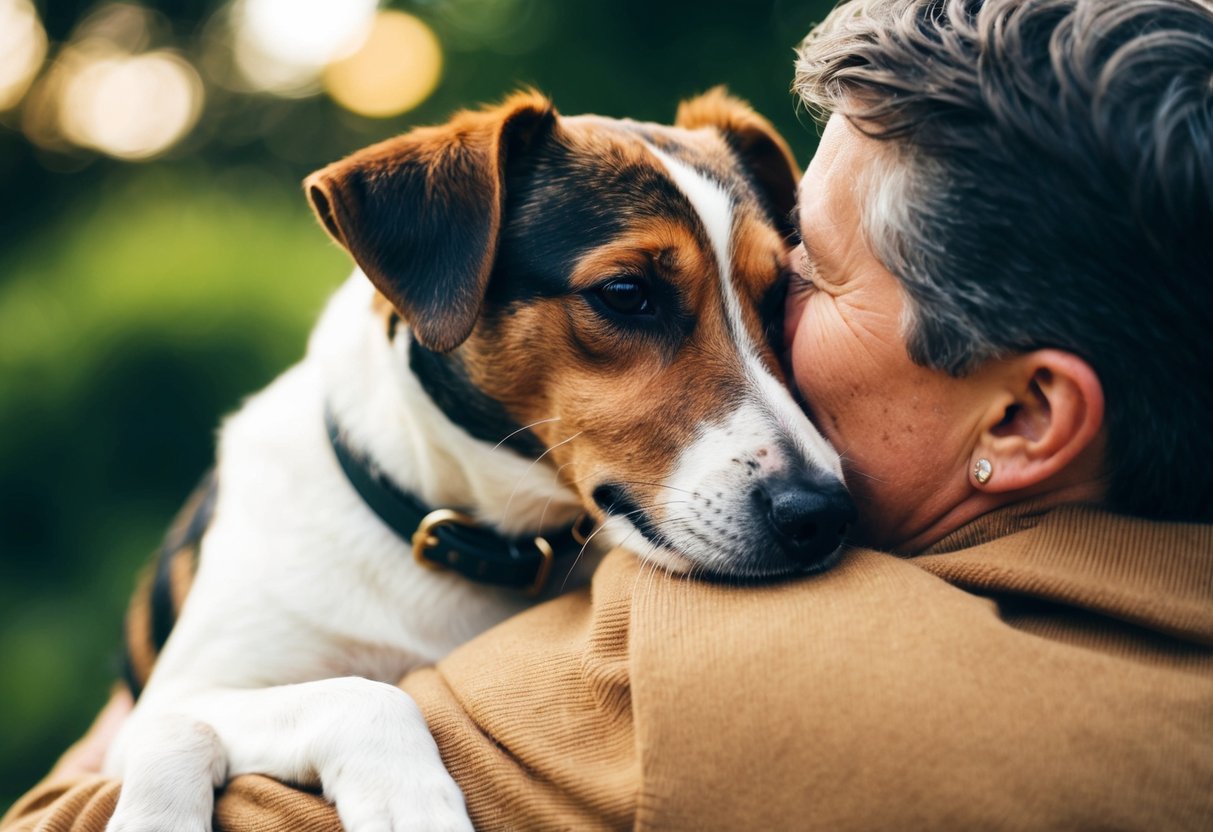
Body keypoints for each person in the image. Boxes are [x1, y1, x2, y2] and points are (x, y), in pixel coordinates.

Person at [5, 0, 1212, 828]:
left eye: (791, 288)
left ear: (1025, 415)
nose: (763, 385)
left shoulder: (664, 679)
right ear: (430, 279)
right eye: (630, 301)